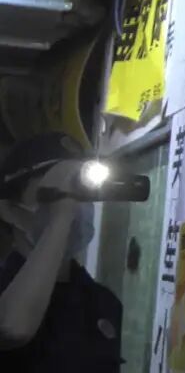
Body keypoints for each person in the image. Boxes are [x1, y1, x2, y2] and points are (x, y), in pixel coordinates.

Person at [0, 133, 122, 372]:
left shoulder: (104, 303)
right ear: (9, 210)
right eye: (59, 191)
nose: (75, 204)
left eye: (81, 191)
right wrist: (61, 217)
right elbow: (12, 328)